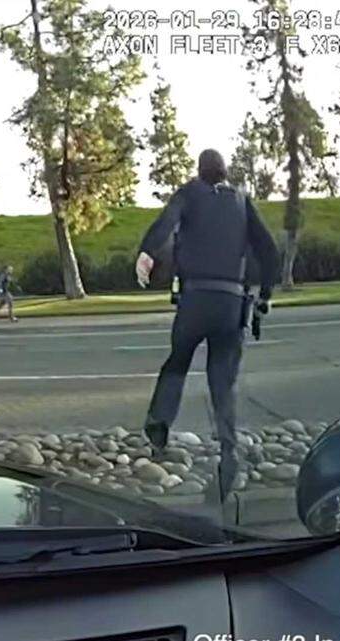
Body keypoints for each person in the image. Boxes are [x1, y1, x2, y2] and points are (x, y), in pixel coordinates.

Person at [134, 149, 279, 502]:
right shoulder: (243, 201)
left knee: (178, 362)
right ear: (226, 172)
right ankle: (228, 447)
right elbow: (268, 249)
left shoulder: (189, 194)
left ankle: (158, 430)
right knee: (223, 378)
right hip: (231, 304)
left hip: (195, 300)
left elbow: (166, 222)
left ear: (200, 172)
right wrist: (265, 295)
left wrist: (147, 252)